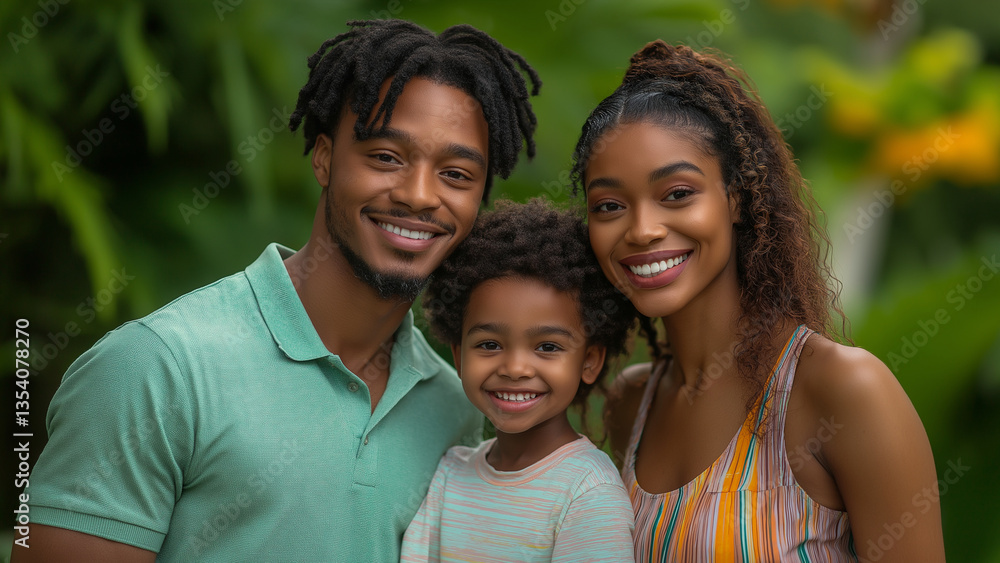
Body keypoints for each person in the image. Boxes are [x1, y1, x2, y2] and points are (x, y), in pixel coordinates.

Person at [14, 19, 540, 562]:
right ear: (323, 158)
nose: (420, 195)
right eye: (386, 157)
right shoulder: (157, 366)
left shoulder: (455, 406)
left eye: (456, 174)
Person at [572, 41, 946, 561]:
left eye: (677, 193)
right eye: (609, 205)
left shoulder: (840, 391)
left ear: (737, 199)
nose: (642, 230)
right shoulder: (632, 404)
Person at [400, 199, 637, 562]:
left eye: (546, 346)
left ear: (589, 360)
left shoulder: (588, 493)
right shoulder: (449, 474)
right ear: (459, 356)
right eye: (490, 344)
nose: (514, 368)